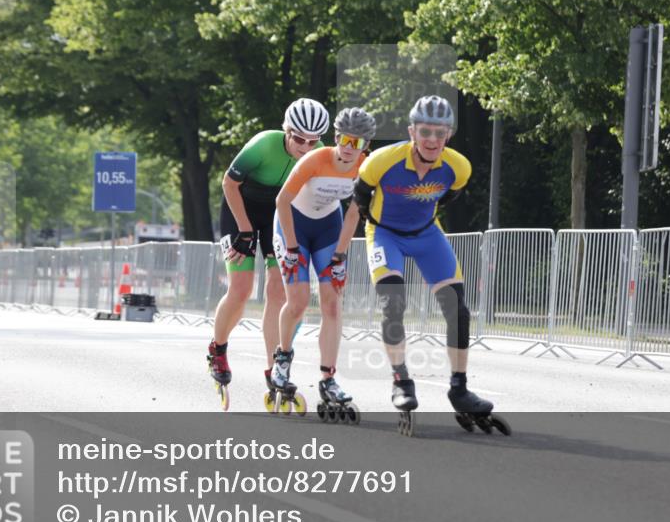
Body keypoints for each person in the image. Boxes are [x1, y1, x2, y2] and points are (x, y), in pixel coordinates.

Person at [352, 95, 496, 430]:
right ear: (412, 132)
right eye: (425, 131)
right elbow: (360, 198)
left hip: (427, 233)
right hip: (384, 233)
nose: (432, 139)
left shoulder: (458, 167)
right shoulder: (381, 161)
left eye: (440, 132)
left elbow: (448, 197)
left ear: (449, 135)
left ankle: (459, 389)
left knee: (457, 309)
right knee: (393, 303)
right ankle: (401, 381)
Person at [207, 98, 327, 409]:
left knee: (278, 292)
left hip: (277, 215)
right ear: (287, 131)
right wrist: (245, 231)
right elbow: (228, 184)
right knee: (242, 289)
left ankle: (274, 368)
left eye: (312, 141)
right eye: (299, 138)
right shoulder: (263, 144)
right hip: (241, 210)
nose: (305, 146)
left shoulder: (319, 153)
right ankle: (217, 349)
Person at [271, 108, 376, 419]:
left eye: (355, 142)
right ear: (335, 137)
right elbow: (281, 201)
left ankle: (328, 378)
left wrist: (340, 255)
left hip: (329, 227)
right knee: (299, 302)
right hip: (294, 226)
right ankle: (282, 358)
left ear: (364, 146)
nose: (347, 147)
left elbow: (355, 213)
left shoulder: (365, 167)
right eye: (343, 139)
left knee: (332, 304)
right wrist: (291, 247)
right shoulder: (315, 160)